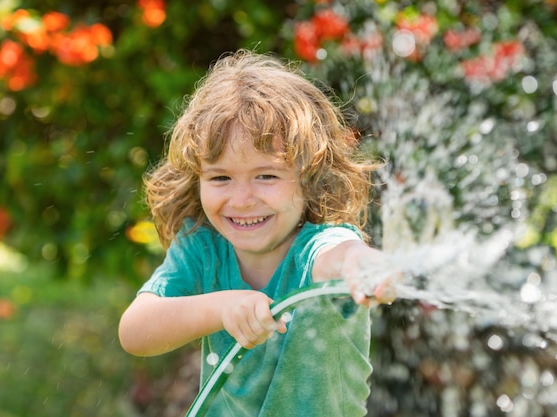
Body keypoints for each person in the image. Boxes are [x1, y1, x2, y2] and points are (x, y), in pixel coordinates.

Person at [118, 49, 399, 417]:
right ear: (198, 179)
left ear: (309, 178)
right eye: (220, 178)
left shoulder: (315, 246)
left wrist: (365, 266)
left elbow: (341, 256)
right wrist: (222, 307)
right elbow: (135, 332)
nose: (242, 199)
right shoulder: (203, 249)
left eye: (266, 176)